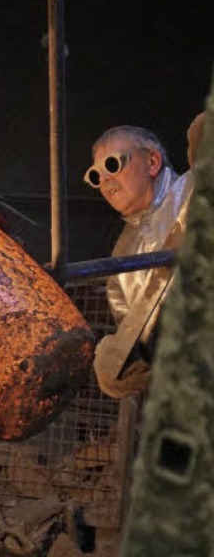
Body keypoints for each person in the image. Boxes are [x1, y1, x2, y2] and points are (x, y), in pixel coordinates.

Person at [85, 114, 205, 398]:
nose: (104, 180)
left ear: (152, 162)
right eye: (95, 175)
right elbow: (136, 333)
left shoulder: (194, 189)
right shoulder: (121, 255)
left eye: (112, 165)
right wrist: (121, 359)